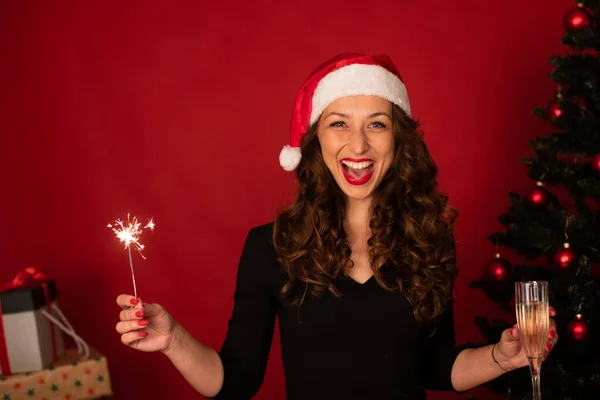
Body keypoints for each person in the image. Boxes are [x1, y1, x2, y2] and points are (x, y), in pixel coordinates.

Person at [115, 53, 558, 399]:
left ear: (398, 140)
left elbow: (437, 367)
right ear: (316, 140)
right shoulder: (269, 248)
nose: (358, 144)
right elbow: (235, 381)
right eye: (339, 123)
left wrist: (502, 358)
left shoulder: (429, 239)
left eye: (377, 125)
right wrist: (173, 340)